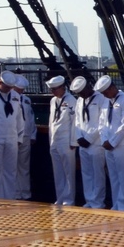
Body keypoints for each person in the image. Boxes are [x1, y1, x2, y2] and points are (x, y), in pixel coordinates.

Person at [97, 75, 124, 212]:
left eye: (106, 92)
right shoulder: (106, 102)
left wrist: (112, 142)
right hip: (108, 145)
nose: (105, 95)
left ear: (112, 87)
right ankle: (116, 204)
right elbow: (102, 123)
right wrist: (104, 140)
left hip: (122, 144)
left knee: (123, 176)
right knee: (113, 176)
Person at [71, 76, 108, 209]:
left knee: (98, 173)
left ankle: (98, 201)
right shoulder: (80, 101)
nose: (81, 94)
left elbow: (102, 122)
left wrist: (89, 138)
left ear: (88, 87)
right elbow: (77, 121)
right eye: (78, 93)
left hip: (96, 143)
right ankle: (89, 200)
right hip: (83, 143)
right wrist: (79, 136)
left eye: (82, 91)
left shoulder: (101, 99)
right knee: (86, 173)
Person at [0, 71, 24, 199]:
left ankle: (9, 198)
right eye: (6, 86)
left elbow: (19, 118)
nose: (9, 89)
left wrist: (19, 137)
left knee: (11, 170)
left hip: (11, 137)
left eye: (10, 87)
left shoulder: (15, 95)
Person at [46, 76, 77, 206]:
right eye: (51, 89)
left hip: (66, 140)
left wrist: (73, 141)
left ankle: (69, 199)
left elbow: (75, 122)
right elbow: (51, 122)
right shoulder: (53, 101)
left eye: (54, 89)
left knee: (69, 171)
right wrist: (50, 141)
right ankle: (60, 197)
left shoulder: (71, 100)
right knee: (58, 171)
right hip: (55, 140)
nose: (52, 92)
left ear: (62, 87)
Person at [13, 75, 36, 200]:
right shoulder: (8, 99)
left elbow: (30, 118)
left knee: (24, 166)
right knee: (12, 167)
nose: (20, 92)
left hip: (26, 136)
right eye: (18, 89)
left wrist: (33, 134)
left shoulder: (26, 100)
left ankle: (25, 193)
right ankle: (15, 193)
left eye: (22, 90)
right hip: (13, 137)